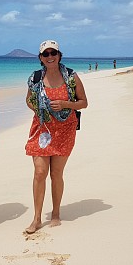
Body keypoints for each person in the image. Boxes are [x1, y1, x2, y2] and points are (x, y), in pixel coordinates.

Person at [24, 40, 88, 234]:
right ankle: (36, 218)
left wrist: (65, 104)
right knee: (40, 172)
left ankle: (56, 213)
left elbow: (84, 102)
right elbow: (28, 100)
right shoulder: (35, 78)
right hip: (42, 130)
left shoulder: (71, 76)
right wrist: (39, 109)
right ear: (41, 58)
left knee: (56, 174)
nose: (50, 57)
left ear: (59, 55)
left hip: (64, 130)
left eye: (53, 53)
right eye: (46, 54)